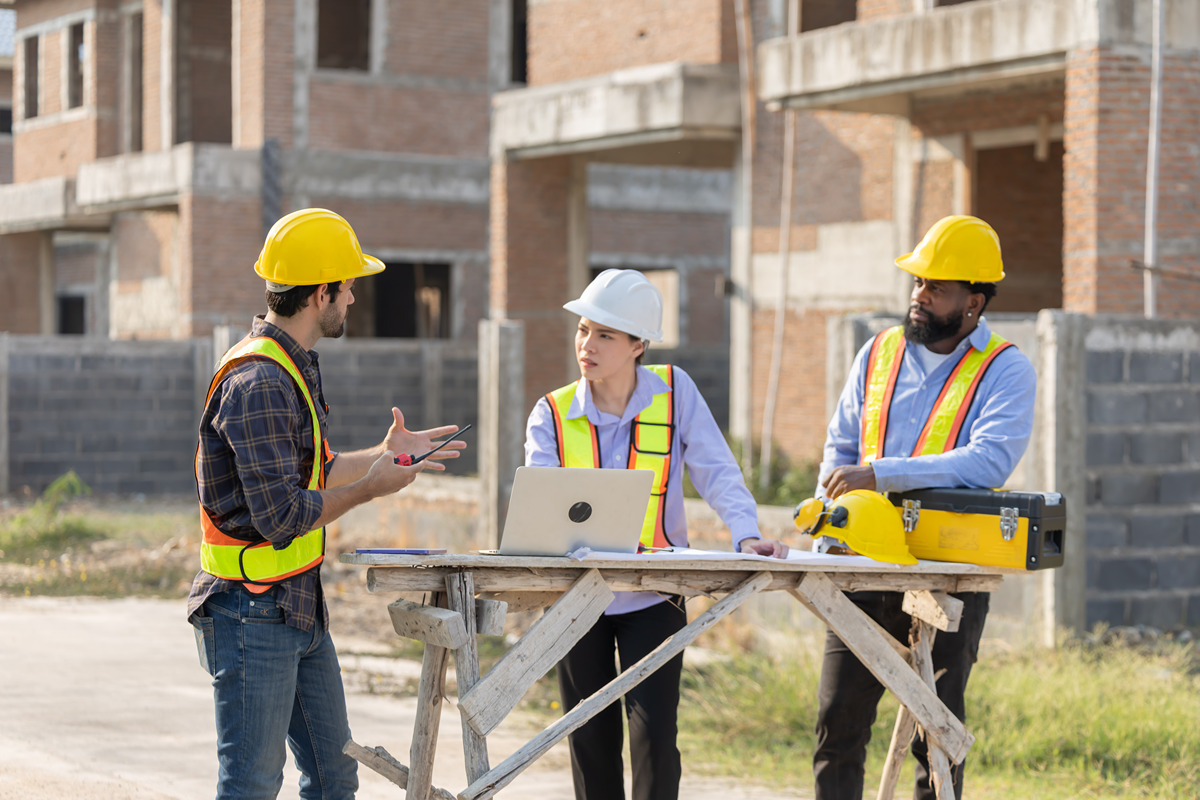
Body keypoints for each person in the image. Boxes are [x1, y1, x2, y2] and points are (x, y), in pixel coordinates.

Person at [187, 207, 466, 800]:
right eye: (349, 287)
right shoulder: (260, 383)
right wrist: (370, 489)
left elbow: (315, 471)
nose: (354, 299)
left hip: (297, 606)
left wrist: (384, 455)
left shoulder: (289, 365)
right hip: (251, 612)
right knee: (251, 785)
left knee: (334, 777)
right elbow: (282, 517)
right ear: (322, 294)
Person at [524, 268, 789, 800]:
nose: (587, 344)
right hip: (576, 599)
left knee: (655, 741)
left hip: (655, 594)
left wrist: (746, 534)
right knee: (591, 743)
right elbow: (540, 512)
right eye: (583, 330)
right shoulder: (550, 414)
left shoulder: (674, 392)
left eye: (605, 334)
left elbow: (717, 468)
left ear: (638, 345)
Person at [812, 215, 1037, 800]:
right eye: (918, 282)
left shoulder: (1006, 368)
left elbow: (989, 461)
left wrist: (882, 473)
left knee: (935, 732)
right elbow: (841, 447)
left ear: (974, 302)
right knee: (837, 723)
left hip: (948, 569)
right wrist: (827, 522)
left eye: (936, 286)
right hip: (861, 563)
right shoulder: (878, 352)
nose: (920, 294)